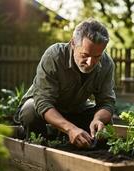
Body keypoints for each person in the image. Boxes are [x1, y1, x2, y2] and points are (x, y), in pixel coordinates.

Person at [16, 18, 116, 148]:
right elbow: (43, 102)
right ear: (73, 43)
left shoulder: (107, 64)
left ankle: (65, 137)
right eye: (85, 55)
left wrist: (98, 119)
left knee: (106, 123)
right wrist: (70, 129)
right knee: (29, 110)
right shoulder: (54, 55)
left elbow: (107, 102)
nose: (90, 62)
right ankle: (38, 139)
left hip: (75, 110)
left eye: (97, 56)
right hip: (43, 110)